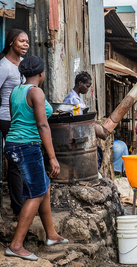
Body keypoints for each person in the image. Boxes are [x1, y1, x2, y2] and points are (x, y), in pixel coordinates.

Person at [4, 56, 67, 261]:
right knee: (36, 193)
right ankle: (16, 245)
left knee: (43, 187)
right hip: (27, 147)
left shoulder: (15, 91)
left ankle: (51, 235)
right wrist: (53, 157)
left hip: (12, 144)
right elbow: (42, 125)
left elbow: (16, 118)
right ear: (41, 73)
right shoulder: (36, 92)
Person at [0, 29, 28, 217]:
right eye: (21, 41)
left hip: (19, 118)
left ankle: (23, 203)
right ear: (11, 42)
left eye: (27, 41)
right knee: (16, 162)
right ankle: (18, 208)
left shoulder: (23, 64)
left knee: (23, 160)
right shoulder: (4, 66)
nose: (26, 44)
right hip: (6, 118)